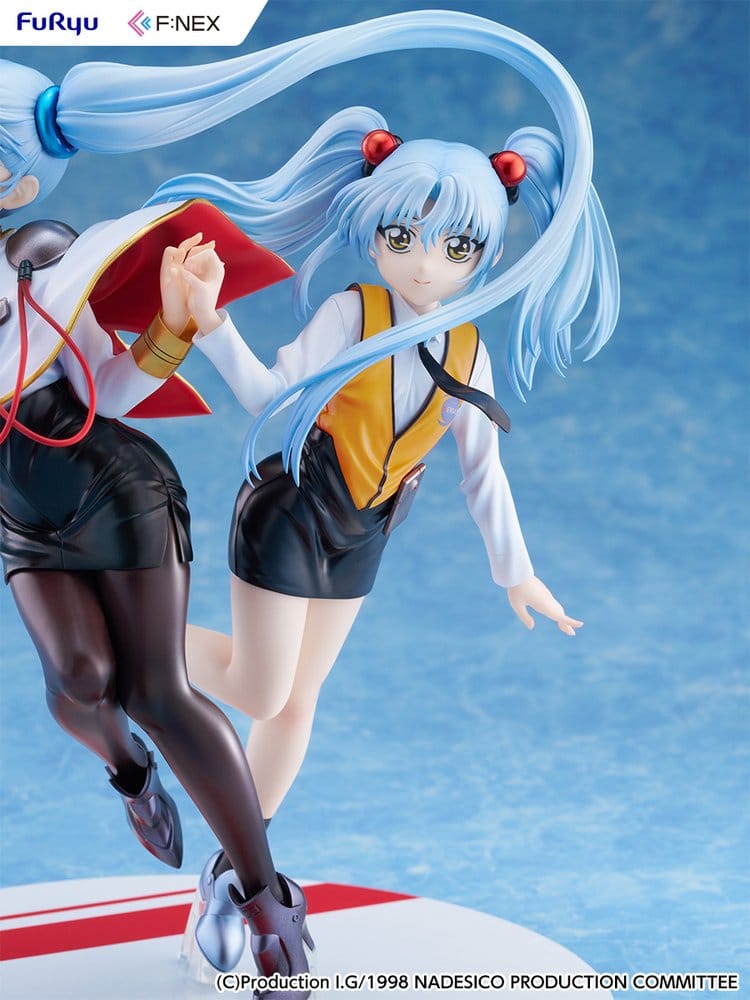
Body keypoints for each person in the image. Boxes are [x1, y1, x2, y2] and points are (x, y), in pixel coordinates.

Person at [140, 21, 618, 974]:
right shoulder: (350, 313)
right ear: (374, 230)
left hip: (362, 538)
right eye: (403, 238)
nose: (426, 263)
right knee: (258, 687)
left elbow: (483, 471)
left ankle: (237, 874)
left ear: (484, 253)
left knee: (296, 705)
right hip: (291, 514)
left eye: (455, 246)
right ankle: (135, 640)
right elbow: (270, 395)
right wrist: (211, 326)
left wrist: (515, 573)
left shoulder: (467, 351)